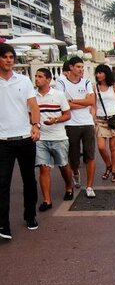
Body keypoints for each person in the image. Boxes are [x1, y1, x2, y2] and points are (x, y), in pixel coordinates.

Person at [0, 43, 41, 240]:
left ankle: (30, 215)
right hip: (3, 142)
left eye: (11, 57)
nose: (9, 60)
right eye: (5, 56)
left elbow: (33, 106)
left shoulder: (23, 81)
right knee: (2, 184)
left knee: (29, 180)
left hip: (25, 139)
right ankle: (3, 226)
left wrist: (35, 126)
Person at [55, 56, 97, 198]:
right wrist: (82, 103)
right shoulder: (61, 82)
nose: (81, 70)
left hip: (87, 123)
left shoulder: (86, 82)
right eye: (78, 67)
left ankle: (90, 186)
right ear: (71, 67)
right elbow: (62, 104)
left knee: (90, 155)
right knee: (73, 158)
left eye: (82, 67)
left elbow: (91, 101)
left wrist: (72, 101)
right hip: (70, 124)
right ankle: (75, 173)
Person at [34, 68, 74, 211]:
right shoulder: (33, 96)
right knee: (44, 168)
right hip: (41, 138)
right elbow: (30, 115)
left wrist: (55, 120)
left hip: (58, 137)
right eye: (36, 76)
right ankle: (47, 200)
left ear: (48, 79)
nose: (37, 79)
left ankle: (69, 186)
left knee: (63, 165)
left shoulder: (58, 95)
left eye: (40, 76)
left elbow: (67, 115)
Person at [93, 64, 115, 183]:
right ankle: (108, 165)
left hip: (113, 119)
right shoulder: (95, 87)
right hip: (100, 120)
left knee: (113, 148)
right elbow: (93, 105)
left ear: (106, 74)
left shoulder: (114, 87)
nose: (98, 75)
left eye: (100, 73)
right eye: (97, 73)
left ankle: (114, 171)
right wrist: (92, 120)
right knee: (101, 147)